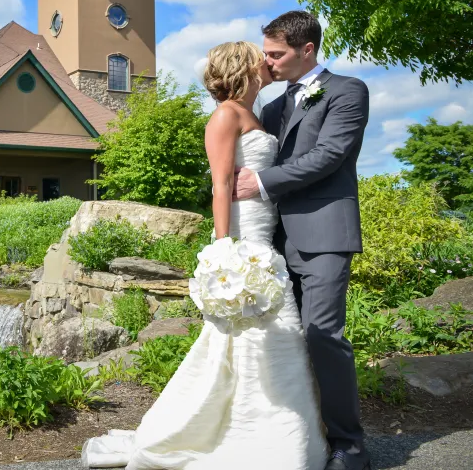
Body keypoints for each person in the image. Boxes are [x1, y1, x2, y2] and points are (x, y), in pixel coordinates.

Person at [82, 39, 329, 469]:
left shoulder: (259, 113)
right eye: (262, 58)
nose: (268, 63)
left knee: (268, 338)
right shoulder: (224, 115)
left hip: (266, 237)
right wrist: (223, 248)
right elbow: (219, 184)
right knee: (256, 336)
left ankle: (269, 434)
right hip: (243, 241)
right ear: (245, 67)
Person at [234, 11, 370, 470]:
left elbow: (330, 155)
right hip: (271, 240)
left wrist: (261, 183)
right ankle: (297, 436)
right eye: (265, 54)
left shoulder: (347, 90)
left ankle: (350, 446)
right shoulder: (271, 109)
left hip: (325, 234)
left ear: (306, 50)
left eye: (276, 54)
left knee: (323, 335)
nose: (267, 63)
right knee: (280, 338)